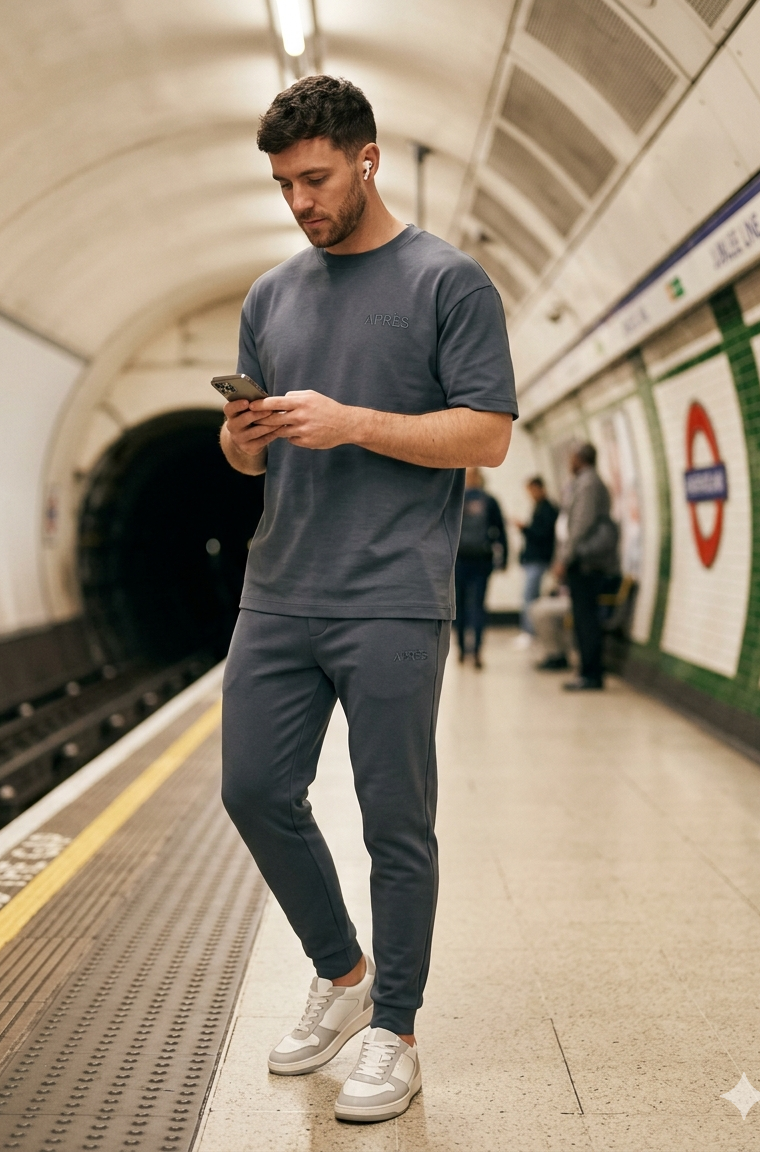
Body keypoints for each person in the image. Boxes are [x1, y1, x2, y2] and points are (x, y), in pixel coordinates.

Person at [218, 75, 517, 1123]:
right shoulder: (270, 295)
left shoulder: (449, 283)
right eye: (283, 184)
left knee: (396, 819)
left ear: (366, 160)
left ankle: (395, 1029)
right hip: (278, 589)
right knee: (253, 790)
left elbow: (484, 434)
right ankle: (342, 977)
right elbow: (245, 455)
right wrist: (239, 440)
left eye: (314, 177)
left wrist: (357, 422)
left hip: (392, 591)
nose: (299, 201)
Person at [552, 443, 619, 691]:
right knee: (583, 618)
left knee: (586, 619)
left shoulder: (588, 483)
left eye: (572, 456)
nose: (569, 461)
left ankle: (591, 674)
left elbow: (580, 524)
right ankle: (587, 671)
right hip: (583, 562)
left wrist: (564, 558)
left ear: (580, 458)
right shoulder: (584, 481)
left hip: (586, 564)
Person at [454, 468, 506, 668]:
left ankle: (460, 650)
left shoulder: (456, 499)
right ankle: (476, 651)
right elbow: (500, 531)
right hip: (482, 560)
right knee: (478, 605)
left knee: (459, 606)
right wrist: (504, 559)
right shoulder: (490, 500)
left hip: (459, 560)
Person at [514, 476, 558, 643]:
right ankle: (530, 630)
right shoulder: (539, 507)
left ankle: (529, 632)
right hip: (534, 558)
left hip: (539, 558)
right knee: (530, 596)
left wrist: (525, 528)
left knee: (530, 597)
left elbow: (542, 535)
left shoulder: (547, 509)